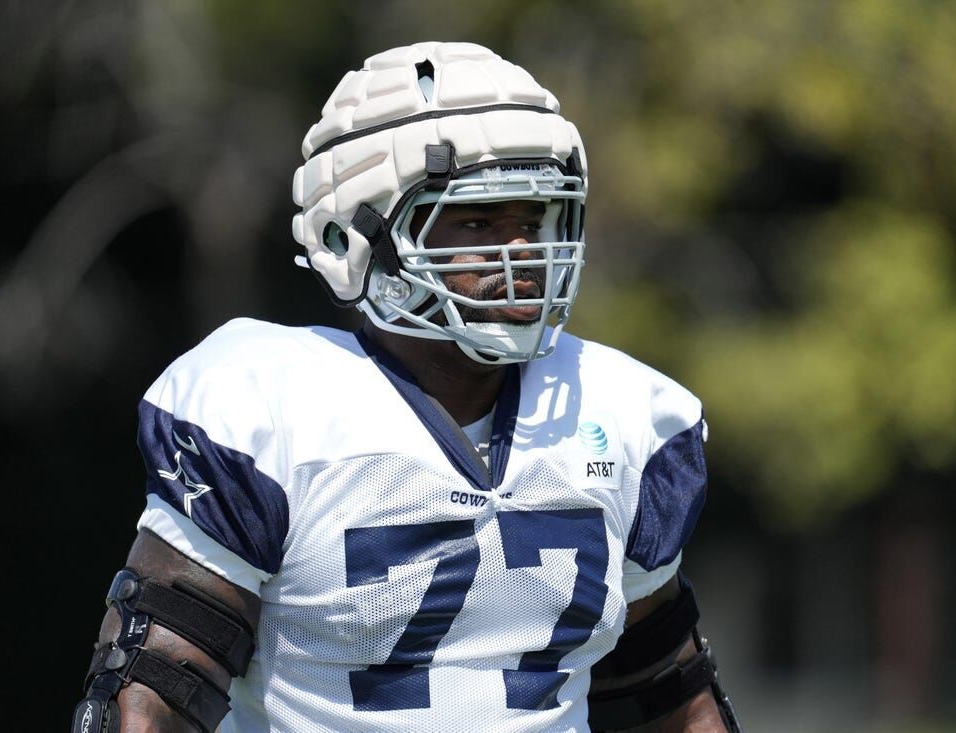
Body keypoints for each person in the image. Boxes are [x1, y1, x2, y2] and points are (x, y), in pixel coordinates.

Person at [72, 41, 741, 733]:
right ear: (352, 234)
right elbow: (153, 698)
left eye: (534, 217)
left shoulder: (620, 411)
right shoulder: (270, 410)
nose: (522, 254)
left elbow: (664, 692)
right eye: (479, 221)